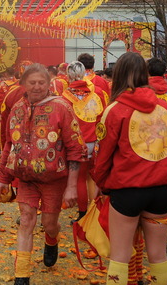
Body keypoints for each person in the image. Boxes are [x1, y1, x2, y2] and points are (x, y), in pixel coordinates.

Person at [93, 52, 167, 285]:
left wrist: (102, 184)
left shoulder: (114, 110)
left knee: (120, 257)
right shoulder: (163, 106)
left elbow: (102, 156)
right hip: (160, 190)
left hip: (127, 190)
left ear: (118, 75)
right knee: (158, 255)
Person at [0, 64, 85, 284]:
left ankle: (51, 239)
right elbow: (9, 144)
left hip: (54, 180)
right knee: (26, 220)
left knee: (49, 223)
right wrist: (3, 178)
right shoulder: (17, 108)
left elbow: (76, 149)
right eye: (32, 82)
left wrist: (72, 186)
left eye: (41, 82)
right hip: (26, 179)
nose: (37, 87)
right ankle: (22, 276)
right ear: (24, 84)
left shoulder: (62, 107)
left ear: (49, 83)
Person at [61, 61, 107, 222]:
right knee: (93, 177)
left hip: (77, 143)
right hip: (97, 141)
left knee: (80, 179)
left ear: (68, 75)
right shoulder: (98, 92)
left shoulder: (65, 96)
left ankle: (83, 214)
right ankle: (96, 212)